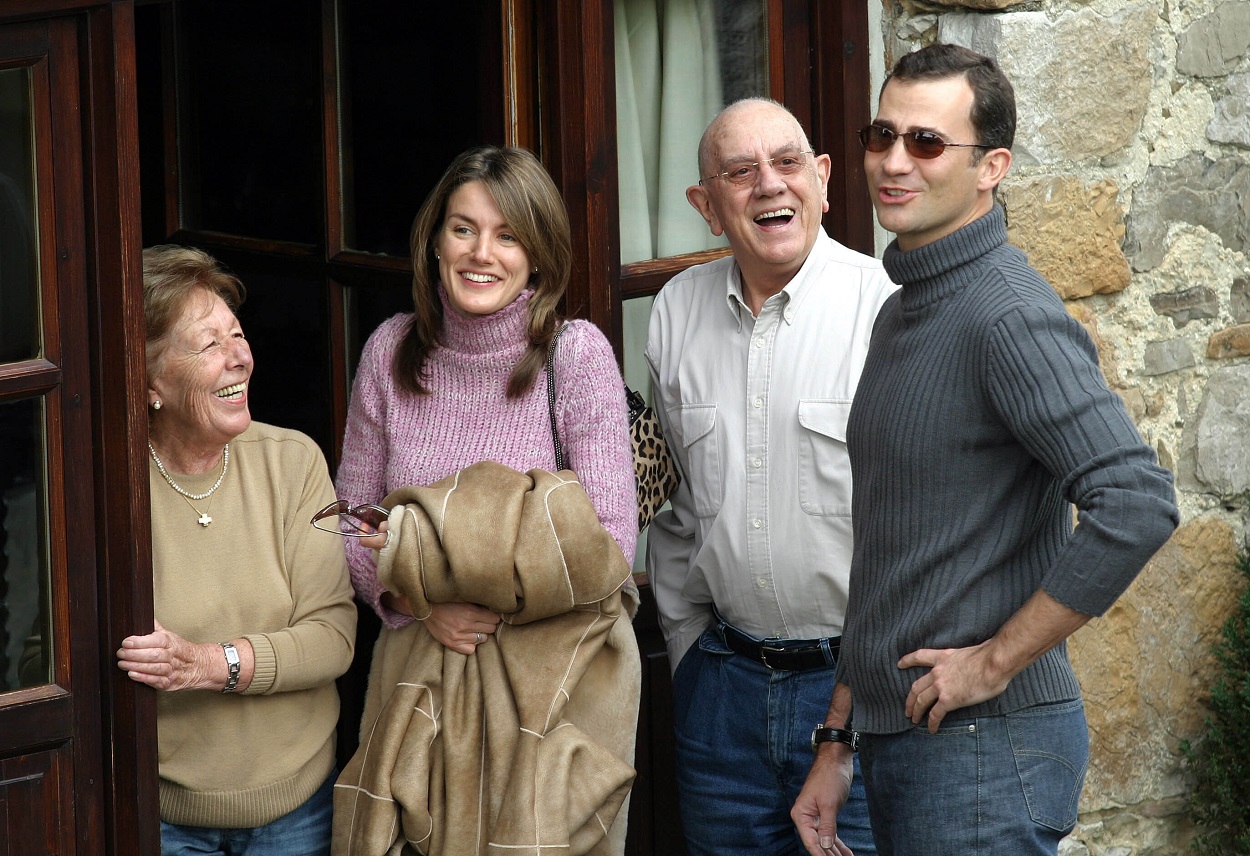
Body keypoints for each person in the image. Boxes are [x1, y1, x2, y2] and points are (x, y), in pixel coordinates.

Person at [792, 43, 1180, 856]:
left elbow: (1136, 501)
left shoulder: (1004, 314)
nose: (894, 162)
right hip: (915, 743)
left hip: (983, 755)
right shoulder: (906, 306)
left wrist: (995, 662)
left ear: (991, 166)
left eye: (927, 143)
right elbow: (899, 554)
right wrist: (839, 737)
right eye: (880, 135)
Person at [333, 145, 639, 853]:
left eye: (508, 236)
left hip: (545, 692)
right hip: (417, 681)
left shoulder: (576, 355)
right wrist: (417, 603)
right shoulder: (390, 350)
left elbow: (611, 544)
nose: (482, 252)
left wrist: (466, 580)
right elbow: (352, 520)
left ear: (539, 256)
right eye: (463, 228)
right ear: (435, 241)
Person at [645, 97, 896, 856]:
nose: (769, 186)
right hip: (724, 694)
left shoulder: (886, 311)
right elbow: (680, 511)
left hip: (860, 697)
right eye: (740, 171)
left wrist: (851, 720)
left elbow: (915, 534)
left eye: (788, 163)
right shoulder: (674, 312)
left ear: (822, 179)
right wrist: (691, 662)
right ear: (706, 205)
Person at [117, 245, 357, 855]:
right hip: (164, 815)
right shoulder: (111, 491)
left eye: (239, 335)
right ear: (149, 380)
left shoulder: (292, 461)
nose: (241, 358)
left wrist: (206, 663)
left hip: (297, 810)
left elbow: (333, 636)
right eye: (208, 345)